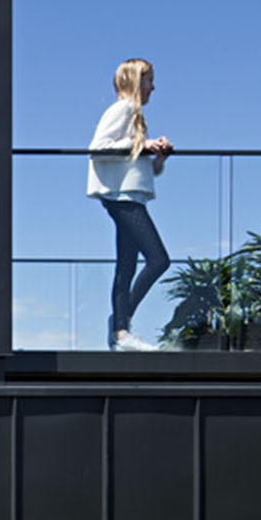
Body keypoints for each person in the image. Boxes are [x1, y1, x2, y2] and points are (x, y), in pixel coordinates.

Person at [87, 59, 174, 350]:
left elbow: (150, 170)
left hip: (131, 195)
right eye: (149, 80)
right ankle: (120, 324)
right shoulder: (122, 109)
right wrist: (143, 145)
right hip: (121, 197)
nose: (153, 86)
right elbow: (98, 147)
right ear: (136, 81)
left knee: (127, 266)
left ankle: (121, 332)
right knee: (159, 259)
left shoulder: (136, 118)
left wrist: (158, 154)